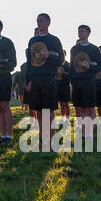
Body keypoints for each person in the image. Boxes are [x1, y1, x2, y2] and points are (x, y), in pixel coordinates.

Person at [26, 13, 64, 150]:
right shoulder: (32, 41)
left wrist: (48, 57)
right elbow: (29, 62)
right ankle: (43, 140)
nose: (38, 23)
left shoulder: (54, 40)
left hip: (48, 78)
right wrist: (28, 80)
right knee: (39, 112)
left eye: (41, 20)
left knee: (48, 111)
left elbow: (60, 60)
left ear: (48, 22)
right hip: (35, 79)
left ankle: (51, 140)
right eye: (37, 21)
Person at [70, 25, 101, 138]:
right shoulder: (74, 49)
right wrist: (72, 81)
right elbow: (71, 67)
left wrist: (89, 67)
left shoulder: (94, 49)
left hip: (88, 81)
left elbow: (98, 67)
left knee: (90, 108)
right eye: (78, 31)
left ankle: (90, 133)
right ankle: (84, 132)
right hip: (77, 82)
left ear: (88, 33)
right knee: (81, 108)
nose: (80, 33)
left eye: (82, 31)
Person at [56, 50, 71, 122]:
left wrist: (62, 72)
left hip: (65, 86)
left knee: (65, 103)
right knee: (61, 103)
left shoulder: (67, 64)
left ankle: (67, 117)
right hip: (57, 86)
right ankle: (63, 117)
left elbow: (69, 75)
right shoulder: (56, 64)